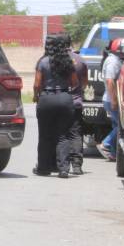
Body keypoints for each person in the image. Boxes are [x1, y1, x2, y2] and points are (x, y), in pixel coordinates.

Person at [33, 35, 79, 178]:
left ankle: (43, 168)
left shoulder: (43, 61)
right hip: (65, 98)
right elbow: (75, 83)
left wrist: (36, 96)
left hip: (47, 98)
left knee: (45, 135)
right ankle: (63, 168)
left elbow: (37, 84)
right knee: (63, 135)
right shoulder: (68, 62)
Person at [96, 37, 124, 162]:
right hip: (111, 99)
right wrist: (114, 100)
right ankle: (105, 144)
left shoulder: (115, 60)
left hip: (112, 98)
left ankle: (113, 153)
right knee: (121, 126)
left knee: (116, 125)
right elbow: (110, 81)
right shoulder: (113, 61)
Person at [67, 37, 88, 176]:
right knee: (75, 134)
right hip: (76, 102)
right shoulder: (80, 60)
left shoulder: (53, 59)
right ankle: (76, 165)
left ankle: (61, 164)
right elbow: (85, 83)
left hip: (58, 102)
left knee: (60, 134)